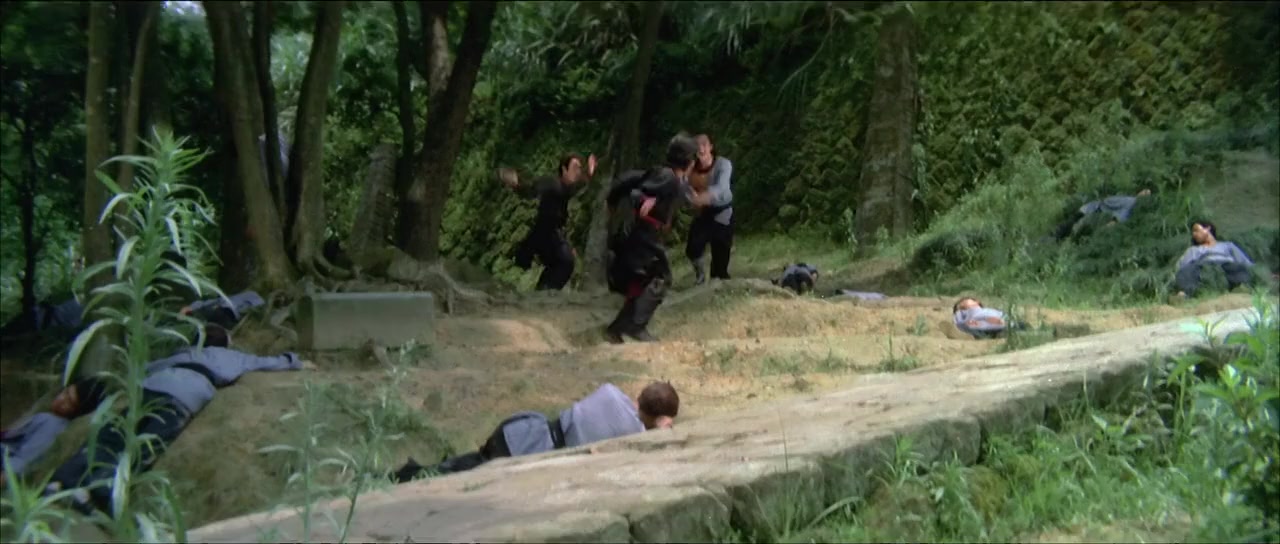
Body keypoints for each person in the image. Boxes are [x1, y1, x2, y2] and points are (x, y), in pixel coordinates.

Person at [44, 324, 315, 516]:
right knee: (146, 445)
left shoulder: (182, 353)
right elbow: (265, 362)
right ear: (225, 343)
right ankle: (99, 492)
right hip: (185, 395)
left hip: (153, 387)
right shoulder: (231, 356)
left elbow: (144, 369)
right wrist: (296, 361)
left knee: (113, 433)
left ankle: (61, 481)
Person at [391, 381, 679, 483]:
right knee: (465, 474)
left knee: (467, 465)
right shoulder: (633, 434)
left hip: (523, 427)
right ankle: (408, 476)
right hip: (528, 449)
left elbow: (622, 410)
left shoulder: (610, 391)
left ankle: (409, 473)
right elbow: (647, 450)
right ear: (660, 417)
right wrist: (661, 430)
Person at [602, 133, 699, 343]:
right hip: (643, 233)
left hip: (645, 233)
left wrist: (615, 200)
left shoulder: (669, 177)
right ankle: (636, 326)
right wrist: (645, 199)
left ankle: (616, 329)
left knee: (644, 281)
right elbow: (638, 191)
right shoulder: (668, 177)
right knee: (662, 278)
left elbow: (629, 179)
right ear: (689, 161)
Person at [499, 153, 598, 291]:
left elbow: (581, 183)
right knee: (566, 261)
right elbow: (532, 189)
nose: (578, 172)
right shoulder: (551, 183)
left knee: (560, 264)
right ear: (564, 169)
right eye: (575, 168)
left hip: (552, 236)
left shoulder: (568, 188)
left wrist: (590, 172)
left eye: (579, 168)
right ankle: (544, 291)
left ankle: (542, 291)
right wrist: (517, 185)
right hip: (544, 236)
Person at [0, 378, 111, 486]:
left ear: (78, 411)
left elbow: (23, 462)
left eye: (69, 402)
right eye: (65, 393)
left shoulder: (53, 424)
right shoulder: (48, 417)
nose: (61, 399)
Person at [684, 133, 735, 285]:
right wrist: (691, 196)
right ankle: (700, 276)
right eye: (697, 146)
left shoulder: (723, 164)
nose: (701, 149)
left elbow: (722, 187)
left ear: (711, 147)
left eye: (704, 145)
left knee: (721, 253)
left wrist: (705, 196)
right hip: (703, 213)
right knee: (693, 248)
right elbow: (682, 185)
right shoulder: (691, 168)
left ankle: (718, 281)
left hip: (723, 212)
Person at [1173, 220, 1256, 298]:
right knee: (1188, 270)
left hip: (1225, 265)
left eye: (1196, 230)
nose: (1194, 234)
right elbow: (1182, 265)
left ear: (1207, 228)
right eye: (1193, 232)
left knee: (1237, 268)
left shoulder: (1227, 245)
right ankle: (1183, 294)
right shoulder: (1194, 250)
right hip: (1204, 268)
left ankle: (1241, 287)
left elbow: (1244, 261)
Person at [1051, 188, 1152, 241]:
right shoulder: (1130, 199)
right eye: (1144, 191)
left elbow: (1121, 216)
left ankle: (1056, 236)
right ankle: (1057, 236)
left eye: (1146, 194)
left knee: (1073, 222)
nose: (1143, 193)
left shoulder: (1131, 203)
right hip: (1095, 207)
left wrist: (1108, 226)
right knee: (1072, 222)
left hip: (1096, 212)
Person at [180, 290, 266, 329]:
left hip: (228, 312)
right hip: (224, 310)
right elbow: (205, 303)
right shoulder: (250, 294)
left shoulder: (254, 298)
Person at [953, 297, 1023, 339]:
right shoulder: (961, 314)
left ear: (977, 302)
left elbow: (1002, 316)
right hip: (986, 329)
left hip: (1004, 324)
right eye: (960, 305)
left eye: (965, 301)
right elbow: (961, 323)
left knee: (1020, 325)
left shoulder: (987, 311)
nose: (962, 303)